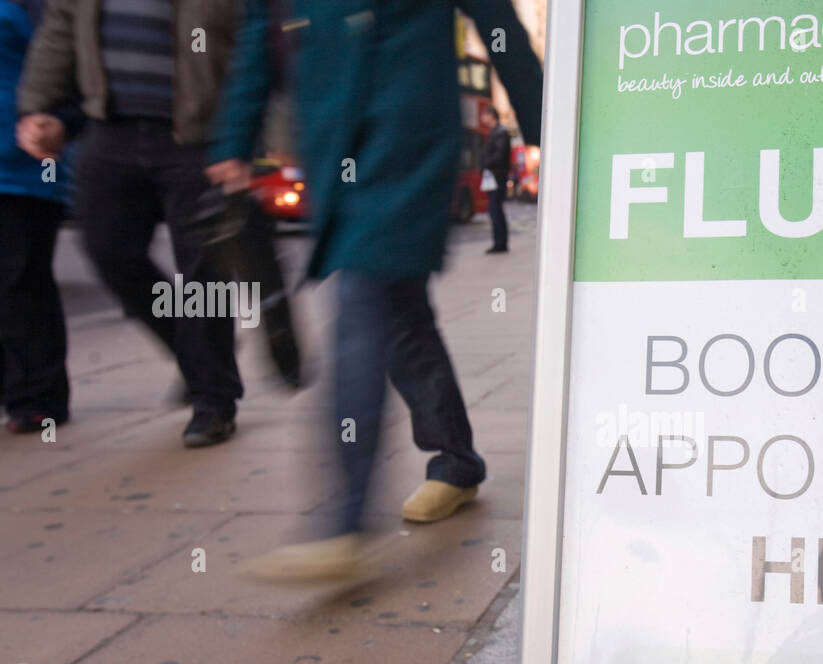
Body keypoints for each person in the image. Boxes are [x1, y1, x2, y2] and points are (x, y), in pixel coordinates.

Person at [206, 1, 542, 580]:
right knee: (398, 312)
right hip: (334, 142)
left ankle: (343, 523)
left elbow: (496, 18)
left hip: (408, 136)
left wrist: (545, 124)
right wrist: (234, 141)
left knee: (362, 301)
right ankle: (458, 460)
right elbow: (260, 41)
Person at [16, 0, 246, 447]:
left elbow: (250, 47)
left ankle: (213, 401)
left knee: (203, 268)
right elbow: (60, 30)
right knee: (108, 249)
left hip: (196, 135)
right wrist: (39, 106)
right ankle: (194, 352)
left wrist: (243, 138)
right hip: (111, 129)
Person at [1, 0, 71, 435]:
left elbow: (64, 65)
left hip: (21, 170)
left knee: (20, 284)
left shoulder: (29, 7)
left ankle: (37, 399)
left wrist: (49, 128)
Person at [482, 105, 511, 254]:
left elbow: (500, 155)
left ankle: (500, 243)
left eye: (484, 115)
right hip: (494, 176)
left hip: (497, 176)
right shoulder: (496, 132)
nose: (482, 118)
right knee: (494, 209)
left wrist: (486, 163)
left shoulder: (500, 132)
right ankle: (499, 242)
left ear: (491, 116)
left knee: (495, 209)